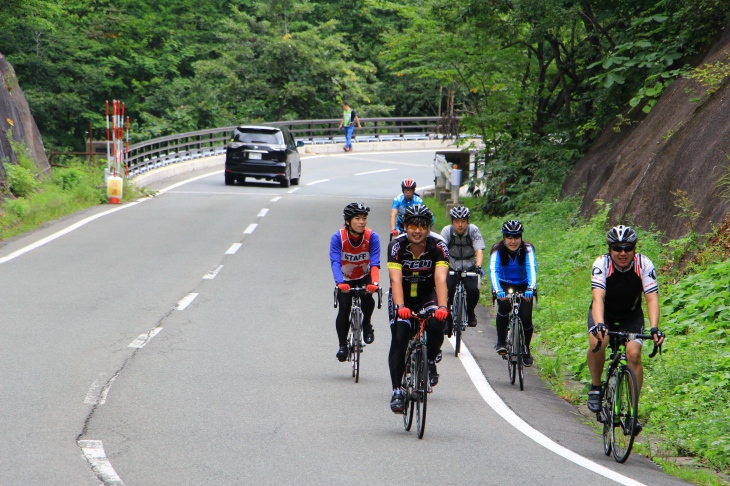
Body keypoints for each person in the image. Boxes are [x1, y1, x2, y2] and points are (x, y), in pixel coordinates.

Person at [585, 225, 665, 432]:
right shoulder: (601, 264)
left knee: (634, 354)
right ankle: (595, 387)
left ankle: (632, 412)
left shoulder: (644, 264)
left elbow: (652, 298)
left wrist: (655, 327)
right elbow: (598, 298)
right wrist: (600, 323)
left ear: (634, 249)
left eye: (627, 248)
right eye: (617, 248)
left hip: (631, 315)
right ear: (610, 249)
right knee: (598, 341)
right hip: (605, 313)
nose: (622, 253)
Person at [387, 204, 450, 413]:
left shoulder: (439, 245)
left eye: (422, 226)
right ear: (405, 226)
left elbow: (441, 278)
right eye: (413, 225)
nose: (417, 230)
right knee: (400, 336)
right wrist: (400, 306)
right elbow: (395, 280)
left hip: (427, 294)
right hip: (402, 296)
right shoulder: (396, 246)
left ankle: (429, 360)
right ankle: (397, 389)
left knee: (435, 325)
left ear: (429, 228)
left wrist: (442, 307)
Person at [330, 203, 381, 362]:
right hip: (345, 279)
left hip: (364, 276)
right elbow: (335, 262)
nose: (362, 222)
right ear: (348, 221)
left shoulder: (372, 237)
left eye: (364, 218)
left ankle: (367, 323)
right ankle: (342, 345)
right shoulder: (338, 237)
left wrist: (375, 283)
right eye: (357, 219)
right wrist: (339, 283)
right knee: (344, 308)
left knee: (367, 298)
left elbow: (375, 263)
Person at [489, 220, 537, 366]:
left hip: (523, 286)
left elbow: (531, 268)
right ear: (504, 238)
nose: (513, 241)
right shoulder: (497, 250)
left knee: (526, 318)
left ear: (521, 237)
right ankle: (501, 341)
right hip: (503, 285)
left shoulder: (528, 249)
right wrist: (498, 291)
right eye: (509, 237)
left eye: (516, 237)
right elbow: (493, 270)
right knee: (504, 308)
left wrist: (531, 288)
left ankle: (526, 348)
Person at [441, 205, 485, 332]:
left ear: (467, 221)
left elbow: (479, 251)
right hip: (451, 264)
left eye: (463, 221)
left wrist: (478, 266)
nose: (460, 225)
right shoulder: (446, 232)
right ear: (452, 222)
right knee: (446, 291)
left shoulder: (473, 230)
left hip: (469, 265)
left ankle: (470, 311)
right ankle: (448, 318)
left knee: (473, 290)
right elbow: (441, 250)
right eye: (456, 221)